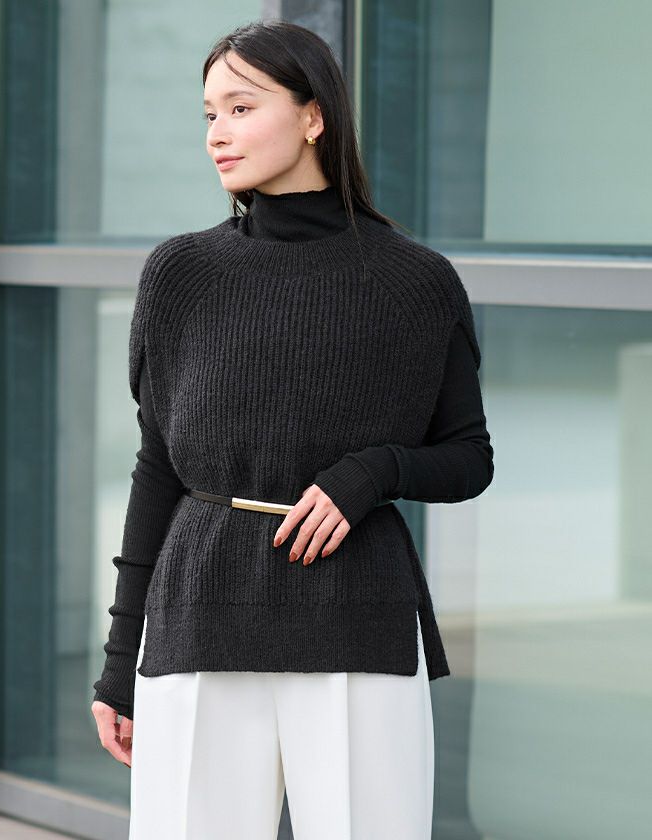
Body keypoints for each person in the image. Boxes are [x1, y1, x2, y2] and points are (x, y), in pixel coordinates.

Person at [91, 19, 493, 840]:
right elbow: (158, 468)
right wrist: (118, 665)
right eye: (209, 114)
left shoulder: (415, 282)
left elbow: (468, 457)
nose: (218, 133)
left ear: (314, 116)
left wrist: (372, 472)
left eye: (241, 108)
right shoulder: (180, 274)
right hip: (197, 616)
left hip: (358, 620)